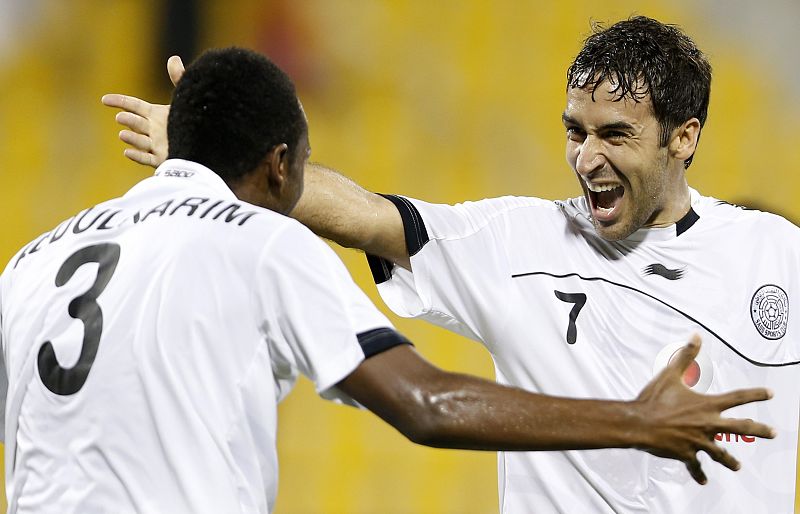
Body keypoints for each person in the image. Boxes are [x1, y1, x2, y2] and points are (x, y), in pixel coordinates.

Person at [97, 16, 792, 511]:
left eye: (616, 135)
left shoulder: (775, 256)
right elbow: (366, 214)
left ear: (684, 137)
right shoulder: (521, 240)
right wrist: (221, 155)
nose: (586, 158)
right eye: (574, 132)